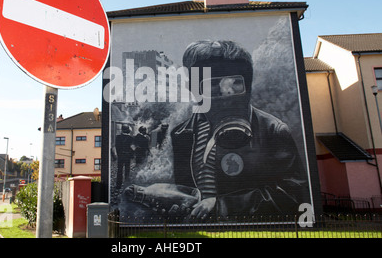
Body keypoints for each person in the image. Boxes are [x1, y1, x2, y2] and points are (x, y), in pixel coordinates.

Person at [169, 40, 310, 219]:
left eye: (235, 82)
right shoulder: (182, 135)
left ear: (248, 85)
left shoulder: (272, 130)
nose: (226, 92)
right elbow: (186, 192)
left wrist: (224, 206)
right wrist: (180, 206)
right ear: (193, 89)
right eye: (212, 84)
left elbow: (293, 193)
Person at [114, 124, 134, 189]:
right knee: (127, 170)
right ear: (128, 130)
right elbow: (132, 148)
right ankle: (126, 185)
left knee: (119, 170)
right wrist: (131, 156)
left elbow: (117, 147)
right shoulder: (131, 138)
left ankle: (118, 185)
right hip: (127, 156)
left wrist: (119, 155)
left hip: (121, 156)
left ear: (122, 130)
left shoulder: (118, 137)